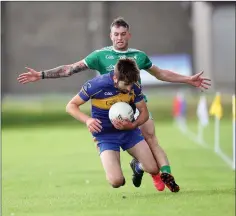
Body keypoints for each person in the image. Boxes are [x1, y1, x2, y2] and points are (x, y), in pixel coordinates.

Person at [17, 17, 211, 192]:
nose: (119, 38)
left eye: (123, 34)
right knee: (118, 178)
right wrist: (41, 74)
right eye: (116, 34)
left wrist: (187, 79)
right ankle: (143, 166)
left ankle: (154, 172)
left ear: (129, 35)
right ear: (111, 36)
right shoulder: (99, 56)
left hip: (135, 106)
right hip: (108, 112)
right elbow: (70, 69)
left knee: (151, 138)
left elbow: (161, 74)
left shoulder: (139, 56)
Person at [66, 58, 160, 189]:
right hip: (105, 135)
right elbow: (71, 106)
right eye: (126, 84)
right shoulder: (96, 85)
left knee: (154, 169)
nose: (129, 88)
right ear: (115, 78)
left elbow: (144, 111)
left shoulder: (134, 86)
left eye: (131, 84)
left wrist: (133, 125)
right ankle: (117, 175)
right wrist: (88, 120)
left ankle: (137, 166)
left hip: (129, 132)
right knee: (116, 182)